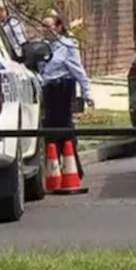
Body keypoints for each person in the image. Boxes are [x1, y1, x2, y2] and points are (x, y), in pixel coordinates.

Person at [40, 13, 94, 178]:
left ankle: (73, 168)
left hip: (62, 88)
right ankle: (54, 171)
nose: (45, 30)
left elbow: (78, 70)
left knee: (64, 126)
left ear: (58, 27)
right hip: (48, 89)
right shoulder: (42, 47)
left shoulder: (68, 46)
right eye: (43, 26)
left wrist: (87, 93)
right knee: (49, 128)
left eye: (48, 26)